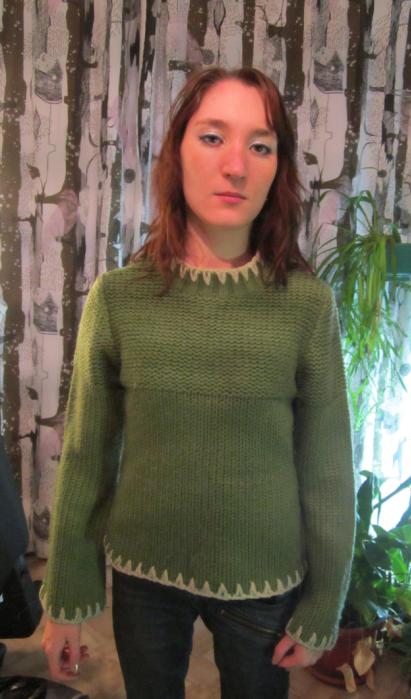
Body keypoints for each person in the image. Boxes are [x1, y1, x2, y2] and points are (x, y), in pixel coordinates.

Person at [40, 67, 356, 699]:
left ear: (277, 169)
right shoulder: (118, 299)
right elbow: (85, 454)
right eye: (213, 137)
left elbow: (326, 468)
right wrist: (66, 595)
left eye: (260, 145)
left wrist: (324, 603)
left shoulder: (306, 306)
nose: (235, 166)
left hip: (263, 579)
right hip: (143, 575)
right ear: (177, 152)